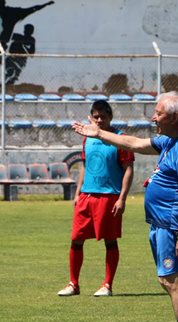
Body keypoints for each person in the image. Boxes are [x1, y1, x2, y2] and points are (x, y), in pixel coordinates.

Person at [72, 91, 178, 322]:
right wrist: (98, 134)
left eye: (158, 113)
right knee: (167, 280)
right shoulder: (171, 140)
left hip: (171, 226)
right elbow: (132, 142)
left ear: (173, 116)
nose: (153, 117)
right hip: (161, 224)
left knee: (172, 280)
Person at [58, 100, 134, 297]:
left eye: (103, 116)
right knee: (76, 240)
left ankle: (107, 285)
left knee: (110, 241)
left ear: (110, 117)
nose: (99, 120)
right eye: (96, 117)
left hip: (109, 197)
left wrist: (122, 198)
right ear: (91, 118)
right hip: (86, 196)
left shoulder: (120, 139)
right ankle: (73, 284)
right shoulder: (87, 138)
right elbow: (85, 166)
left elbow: (128, 169)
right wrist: (78, 193)